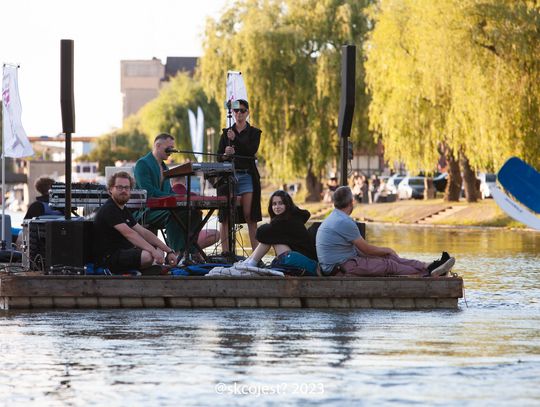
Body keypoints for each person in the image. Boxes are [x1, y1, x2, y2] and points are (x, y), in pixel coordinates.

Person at [316, 186, 456, 277]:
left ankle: (430, 265)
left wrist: (386, 254)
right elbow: (367, 249)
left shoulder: (335, 217)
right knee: (389, 264)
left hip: (343, 263)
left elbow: (363, 251)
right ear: (351, 202)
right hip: (340, 269)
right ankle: (428, 273)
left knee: (391, 259)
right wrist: (387, 249)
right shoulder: (344, 222)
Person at [93, 171, 177, 274]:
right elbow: (130, 234)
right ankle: (146, 269)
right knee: (148, 255)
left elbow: (143, 232)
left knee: (159, 250)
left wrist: (169, 251)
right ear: (110, 189)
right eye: (119, 187)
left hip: (123, 253)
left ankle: (147, 269)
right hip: (108, 258)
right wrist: (153, 251)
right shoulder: (109, 209)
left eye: (127, 188)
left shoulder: (123, 209)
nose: (124, 190)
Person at [134, 133, 199, 255]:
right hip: (145, 211)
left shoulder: (165, 168)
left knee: (194, 213)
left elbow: (168, 192)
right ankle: (177, 253)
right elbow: (149, 192)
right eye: (169, 148)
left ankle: (191, 252)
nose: (171, 151)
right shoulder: (142, 164)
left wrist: (182, 197)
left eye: (172, 148)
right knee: (174, 215)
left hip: (162, 209)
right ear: (158, 146)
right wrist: (174, 196)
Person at [217, 99, 262, 252]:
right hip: (229, 177)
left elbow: (251, 151)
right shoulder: (226, 133)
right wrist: (225, 154)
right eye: (236, 111)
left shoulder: (255, 133)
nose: (239, 113)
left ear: (248, 112)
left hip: (247, 176)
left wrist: (236, 140)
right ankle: (226, 252)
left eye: (242, 110)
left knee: (250, 216)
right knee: (226, 216)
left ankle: (256, 256)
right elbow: (218, 157)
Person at [238, 190, 317, 270]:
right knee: (271, 236)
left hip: (307, 263)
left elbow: (260, 233)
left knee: (271, 237)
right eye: (274, 204)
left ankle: (251, 263)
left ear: (287, 204)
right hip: (301, 260)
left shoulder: (289, 221)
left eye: (281, 203)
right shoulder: (291, 217)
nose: (277, 207)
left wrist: (269, 226)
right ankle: (249, 262)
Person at [169, 176, 220, 251]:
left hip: (172, 240)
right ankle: (192, 252)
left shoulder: (166, 195)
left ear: (171, 183)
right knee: (216, 234)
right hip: (191, 239)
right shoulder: (193, 196)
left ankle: (182, 253)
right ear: (186, 183)